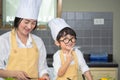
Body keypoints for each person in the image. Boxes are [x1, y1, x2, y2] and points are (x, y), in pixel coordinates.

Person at [0, 0, 50, 80]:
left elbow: (42, 68)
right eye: (26, 22)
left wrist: (45, 75)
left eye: (33, 23)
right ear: (18, 20)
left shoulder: (38, 41)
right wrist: (14, 74)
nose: (30, 26)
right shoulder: (4, 40)